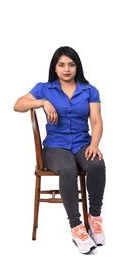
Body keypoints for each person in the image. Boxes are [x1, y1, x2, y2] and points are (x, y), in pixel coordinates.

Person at [14, 46, 105, 254]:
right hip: (55, 146)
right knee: (68, 169)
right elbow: (18, 105)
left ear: (77, 67)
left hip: (83, 143)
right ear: (55, 68)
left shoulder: (89, 90)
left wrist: (94, 144)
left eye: (71, 65)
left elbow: (97, 122)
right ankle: (77, 227)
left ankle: (95, 217)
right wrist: (42, 102)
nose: (66, 69)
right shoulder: (45, 88)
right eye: (61, 65)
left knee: (97, 164)